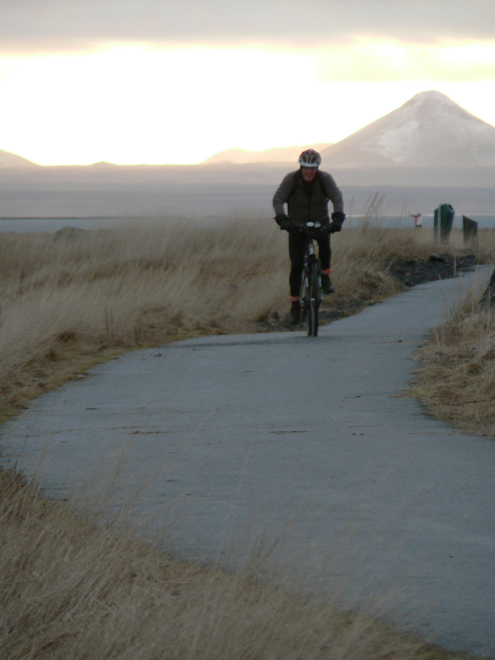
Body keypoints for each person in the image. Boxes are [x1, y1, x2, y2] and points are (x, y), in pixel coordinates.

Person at [272, 148, 345, 324]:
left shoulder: (325, 179)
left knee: (325, 242)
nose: (309, 171)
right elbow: (279, 199)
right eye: (305, 167)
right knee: (297, 265)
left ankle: (325, 277)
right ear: (300, 166)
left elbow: (336, 196)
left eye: (313, 168)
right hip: (297, 225)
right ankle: (295, 307)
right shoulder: (292, 179)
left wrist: (338, 217)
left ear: (318, 167)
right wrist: (282, 218)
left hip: (320, 221)